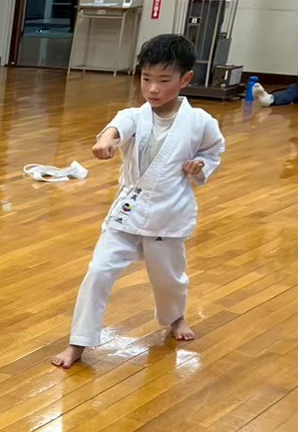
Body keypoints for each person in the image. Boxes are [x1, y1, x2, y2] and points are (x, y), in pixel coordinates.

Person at [52, 34, 225, 368]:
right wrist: (105, 142)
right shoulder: (134, 115)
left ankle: (175, 318)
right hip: (127, 214)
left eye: (164, 80)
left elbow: (213, 150)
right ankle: (79, 342)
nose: (153, 89)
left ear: (185, 79)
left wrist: (200, 165)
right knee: (98, 271)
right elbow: (117, 129)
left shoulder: (200, 121)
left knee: (170, 279)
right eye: (146, 79)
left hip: (168, 213)